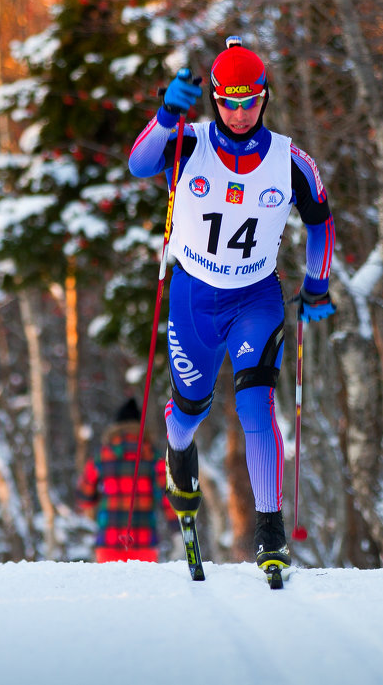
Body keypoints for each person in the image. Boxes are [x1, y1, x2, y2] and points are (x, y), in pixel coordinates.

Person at [128, 36, 336, 575]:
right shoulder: (187, 142)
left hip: (256, 298)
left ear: (264, 98)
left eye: (249, 102)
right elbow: (138, 164)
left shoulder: (290, 160)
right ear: (214, 99)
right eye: (229, 102)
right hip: (193, 300)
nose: (239, 114)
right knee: (187, 412)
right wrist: (166, 115)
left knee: (255, 406)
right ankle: (179, 455)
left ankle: (270, 530)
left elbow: (321, 223)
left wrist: (317, 284)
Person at [77, 398, 174, 563]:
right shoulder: (153, 455)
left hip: (109, 540)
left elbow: (84, 497)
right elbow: (168, 497)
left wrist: (96, 497)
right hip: (144, 541)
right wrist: (177, 530)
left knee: (109, 588)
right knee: (143, 588)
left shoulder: (102, 455)